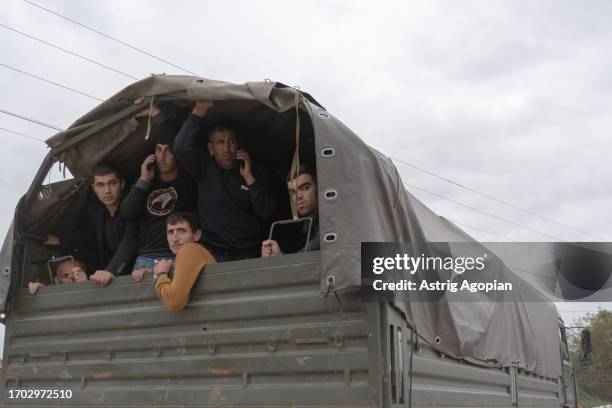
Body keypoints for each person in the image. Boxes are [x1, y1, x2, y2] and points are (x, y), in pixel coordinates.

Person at [172, 101, 277, 261]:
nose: (227, 149)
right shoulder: (204, 168)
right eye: (220, 142)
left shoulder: (255, 171)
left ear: (238, 144)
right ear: (211, 149)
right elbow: (180, 147)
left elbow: (267, 212)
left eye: (231, 141)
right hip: (214, 253)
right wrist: (199, 110)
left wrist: (249, 178)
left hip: (249, 252)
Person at [121, 115, 197, 282]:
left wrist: (159, 115)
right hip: (145, 258)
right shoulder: (147, 180)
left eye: (168, 150)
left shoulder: (188, 183)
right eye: (158, 149)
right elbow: (127, 212)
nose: (162, 157)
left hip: (177, 256)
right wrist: (143, 181)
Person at [45, 163, 137, 288]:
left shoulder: (131, 208)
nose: (107, 191)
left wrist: (110, 271)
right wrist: (59, 240)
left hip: (136, 275)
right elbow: (86, 236)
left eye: (112, 183)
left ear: (122, 184)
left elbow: (130, 241)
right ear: (94, 189)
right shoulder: (97, 213)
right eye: (101, 185)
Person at [148, 212, 216, 312]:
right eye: (170, 232)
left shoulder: (190, 250)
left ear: (197, 235)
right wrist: (149, 273)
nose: (175, 239)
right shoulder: (195, 253)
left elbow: (174, 302)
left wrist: (160, 275)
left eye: (181, 231)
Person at [261, 164, 319, 257]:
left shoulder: (329, 218)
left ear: (319, 187)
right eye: (293, 192)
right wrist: (280, 256)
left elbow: (315, 246)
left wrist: (282, 258)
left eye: (305, 188)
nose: (298, 196)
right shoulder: (308, 224)